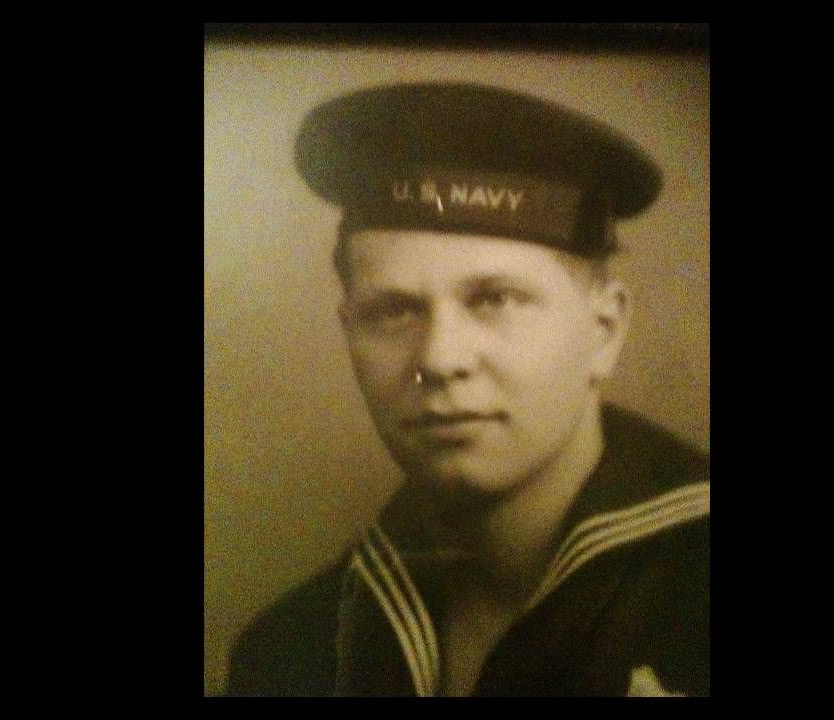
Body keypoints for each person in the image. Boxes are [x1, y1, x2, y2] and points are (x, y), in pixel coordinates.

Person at [225, 82, 709, 697]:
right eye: (393, 311)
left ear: (604, 330)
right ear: (349, 332)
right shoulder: (294, 653)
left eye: (494, 300)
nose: (438, 358)